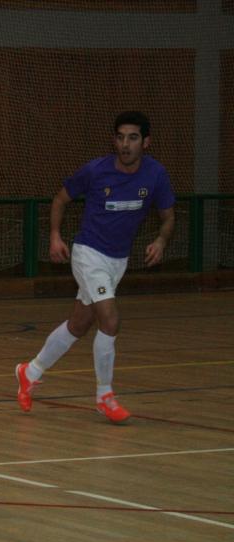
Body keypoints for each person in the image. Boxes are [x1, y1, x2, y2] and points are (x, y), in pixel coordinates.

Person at [15, 111, 175, 423]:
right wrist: (55, 236)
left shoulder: (156, 175)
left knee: (78, 324)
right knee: (110, 319)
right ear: (113, 140)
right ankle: (104, 395)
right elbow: (60, 199)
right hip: (88, 253)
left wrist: (161, 241)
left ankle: (29, 371)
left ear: (146, 142)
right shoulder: (96, 171)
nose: (125, 144)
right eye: (120, 137)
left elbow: (168, 217)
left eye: (133, 138)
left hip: (118, 261)